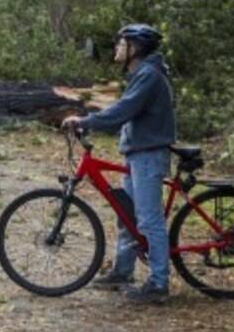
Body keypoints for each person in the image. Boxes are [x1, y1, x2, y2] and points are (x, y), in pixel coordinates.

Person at [62, 23, 176, 304]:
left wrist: (86, 121)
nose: (116, 48)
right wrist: (91, 119)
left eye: (121, 44)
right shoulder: (142, 74)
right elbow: (122, 109)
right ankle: (122, 272)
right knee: (128, 216)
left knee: (149, 220)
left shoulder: (148, 75)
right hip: (138, 153)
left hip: (148, 156)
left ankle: (159, 284)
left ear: (134, 48)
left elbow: (123, 111)